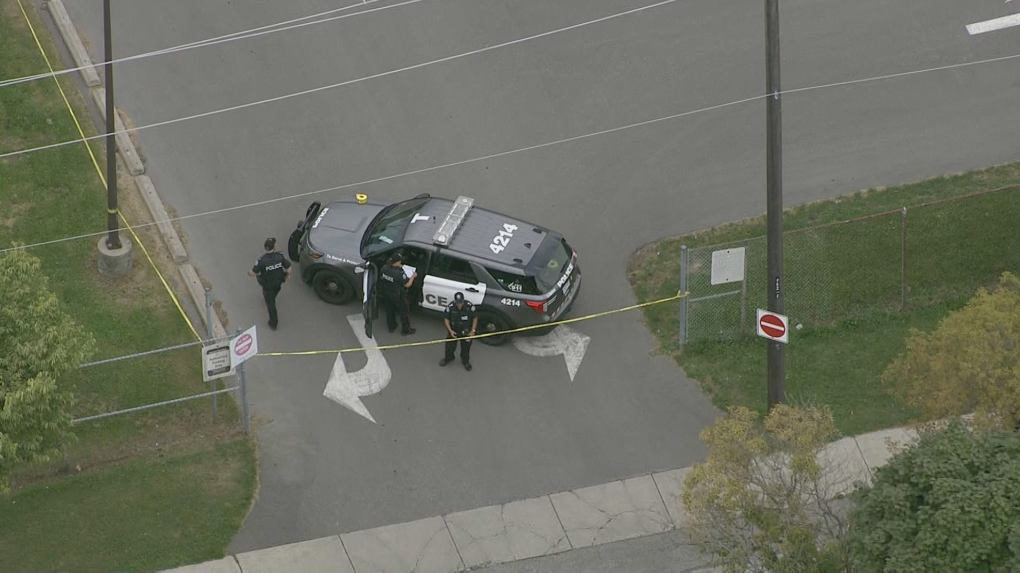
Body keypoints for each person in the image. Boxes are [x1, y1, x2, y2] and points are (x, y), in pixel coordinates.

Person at [248, 237, 291, 330]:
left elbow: (253, 273)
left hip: (267, 285)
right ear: (274, 247)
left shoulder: (261, 260)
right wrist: (288, 276)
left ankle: (273, 323)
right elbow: (288, 267)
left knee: (271, 304)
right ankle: (271, 297)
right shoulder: (280, 256)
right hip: (278, 282)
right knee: (274, 293)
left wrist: (249, 272)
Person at [379, 253, 416, 335]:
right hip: (398, 295)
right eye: (399, 261)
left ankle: (391, 326)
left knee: (389, 311)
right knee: (404, 313)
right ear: (396, 262)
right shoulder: (399, 273)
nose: (400, 262)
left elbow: (383, 277)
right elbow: (407, 284)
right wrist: (413, 277)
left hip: (387, 293)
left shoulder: (384, 268)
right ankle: (406, 330)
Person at [440, 292, 477, 371]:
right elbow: (446, 319)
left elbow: (475, 318)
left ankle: (465, 361)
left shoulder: (469, 306)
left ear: (463, 301)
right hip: (454, 331)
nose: (459, 305)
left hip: (466, 331)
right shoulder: (451, 307)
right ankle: (449, 358)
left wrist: (473, 331)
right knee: (449, 347)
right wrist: (450, 331)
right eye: (457, 303)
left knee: (466, 348)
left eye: (460, 302)